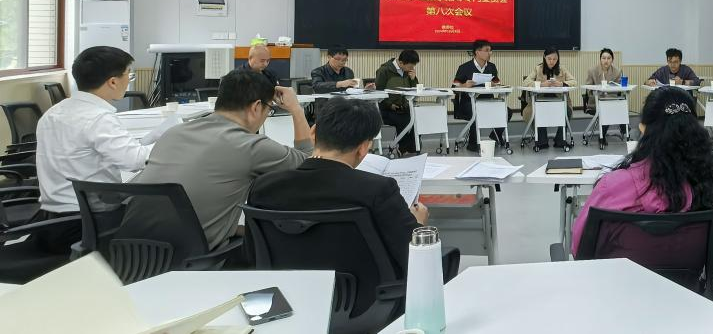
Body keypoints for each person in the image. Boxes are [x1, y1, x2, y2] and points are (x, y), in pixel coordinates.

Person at [247, 98, 428, 287]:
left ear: (313, 133)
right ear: (363, 148)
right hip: (365, 300)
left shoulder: (263, 187)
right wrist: (419, 226)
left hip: (284, 296)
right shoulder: (377, 190)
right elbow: (413, 258)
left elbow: (252, 257)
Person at [129, 69, 313, 250]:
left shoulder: (173, 133)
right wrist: (296, 109)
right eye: (269, 110)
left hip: (132, 252)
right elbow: (311, 165)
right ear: (256, 107)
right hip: (192, 257)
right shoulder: (249, 146)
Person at [571, 86, 713, 257]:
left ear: (644, 129)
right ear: (695, 129)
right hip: (690, 277)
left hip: (622, 275)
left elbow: (580, 248)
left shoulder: (612, 186)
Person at [33, 46, 153, 252]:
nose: (129, 80)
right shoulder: (98, 117)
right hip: (87, 222)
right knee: (161, 213)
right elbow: (134, 161)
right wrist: (171, 141)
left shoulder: (53, 112)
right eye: (128, 74)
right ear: (113, 82)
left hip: (51, 219)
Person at [453, 39, 506, 153]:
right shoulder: (465, 67)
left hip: (488, 102)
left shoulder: (491, 67)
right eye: (487, 50)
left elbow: (497, 82)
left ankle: (495, 136)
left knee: (506, 111)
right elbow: (454, 87)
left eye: (490, 51)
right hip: (469, 103)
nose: (490, 53)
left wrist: (495, 85)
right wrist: (464, 85)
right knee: (476, 111)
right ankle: (473, 144)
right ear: (477, 52)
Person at [526, 47, 574, 150]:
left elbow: (574, 81)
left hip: (559, 101)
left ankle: (560, 140)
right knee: (536, 111)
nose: (552, 61)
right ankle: (542, 140)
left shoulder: (562, 69)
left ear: (558, 59)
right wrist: (541, 84)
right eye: (549, 59)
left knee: (567, 111)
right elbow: (526, 82)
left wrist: (561, 84)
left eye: (554, 59)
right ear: (544, 57)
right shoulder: (538, 68)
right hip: (539, 101)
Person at [375, 49, 420, 154]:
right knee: (405, 120)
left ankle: (412, 148)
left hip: (403, 107)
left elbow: (415, 92)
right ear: (401, 62)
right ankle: (402, 148)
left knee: (417, 118)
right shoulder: (384, 71)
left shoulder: (408, 72)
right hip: (386, 110)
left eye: (413, 66)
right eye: (410, 66)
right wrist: (390, 105)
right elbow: (379, 93)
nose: (412, 68)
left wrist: (413, 79)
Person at [585, 48, 624, 146]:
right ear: (600, 59)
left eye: (608, 58)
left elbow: (619, 89)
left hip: (611, 100)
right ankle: (622, 128)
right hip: (595, 101)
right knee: (608, 109)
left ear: (612, 60)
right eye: (603, 58)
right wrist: (597, 91)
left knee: (617, 106)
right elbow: (588, 88)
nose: (606, 61)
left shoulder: (617, 71)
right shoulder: (592, 71)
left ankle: (603, 135)